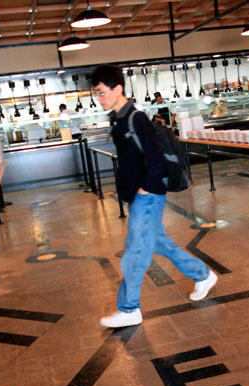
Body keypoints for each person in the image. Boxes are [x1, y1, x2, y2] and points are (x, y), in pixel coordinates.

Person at [92, 64, 217, 329]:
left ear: (118, 89)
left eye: (102, 92)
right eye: (97, 94)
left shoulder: (136, 118)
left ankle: (129, 308)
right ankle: (202, 274)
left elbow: (156, 160)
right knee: (158, 242)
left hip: (147, 195)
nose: (99, 98)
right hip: (137, 195)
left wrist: (144, 189)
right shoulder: (118, 118)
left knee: (135, 252)